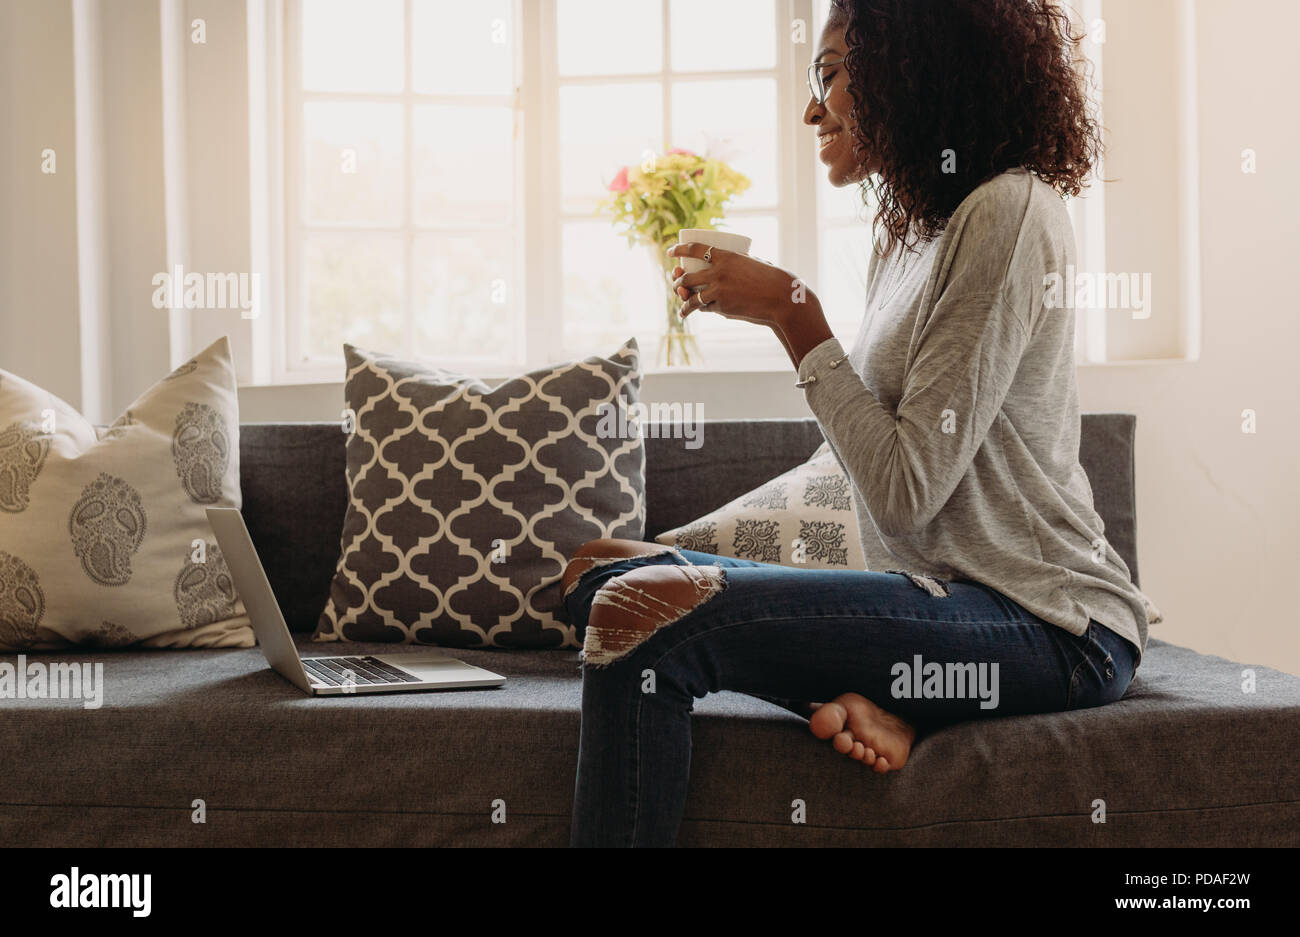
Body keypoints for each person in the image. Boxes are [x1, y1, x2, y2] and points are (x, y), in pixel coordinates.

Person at [562, 0, 1158, 848]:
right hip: (934, 605)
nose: (813, 108)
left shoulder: (1010, 213)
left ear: (916, 68)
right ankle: (905, 701)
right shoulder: (909, 234)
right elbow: (860, 475)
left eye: (830, 74)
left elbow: (907, 490)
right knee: (598, 579)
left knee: (641, 612)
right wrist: (700, 553)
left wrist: (790, 312)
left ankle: (912, 694)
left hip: (1049, 625)